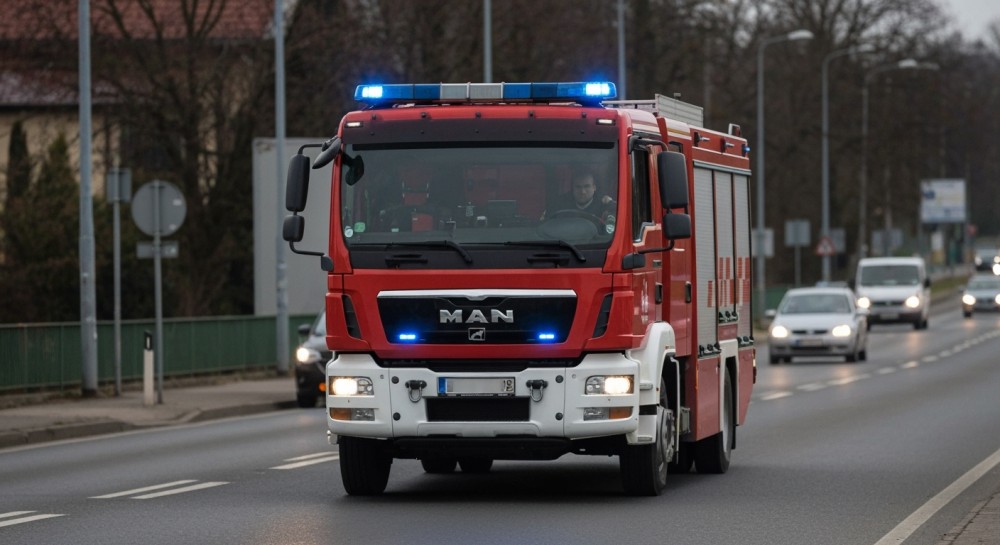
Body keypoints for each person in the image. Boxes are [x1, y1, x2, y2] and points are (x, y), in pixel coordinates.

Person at [543, 170, 614, 221]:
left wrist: (611, 204)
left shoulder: (603, 204)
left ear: (594, 187)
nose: (583, 192)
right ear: (572, 189)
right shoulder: (560, 204)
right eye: (578, 187)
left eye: (587, 186)